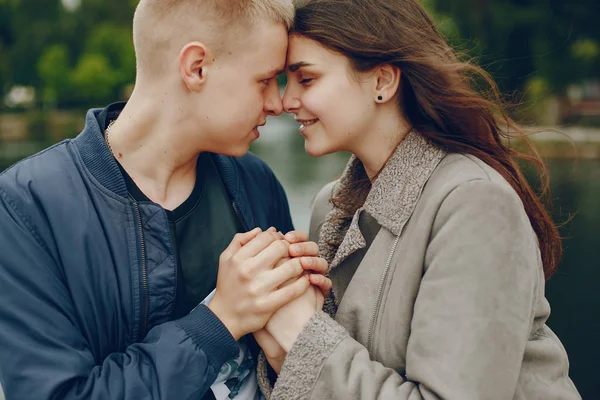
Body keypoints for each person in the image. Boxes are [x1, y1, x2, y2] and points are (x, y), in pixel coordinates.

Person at [0, 1, 331, 399]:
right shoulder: (25, 207)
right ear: (196, 68)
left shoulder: (255, 184)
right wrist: (219, 322)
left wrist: (303, 329)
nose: (277, 103)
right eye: (265, 80)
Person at [254, 0, 582, 399]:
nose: (287, 101)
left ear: (382, 82)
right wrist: (278, 343)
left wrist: (301, 337)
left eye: (306, 80)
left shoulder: (474, 203)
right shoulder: (332, 209)